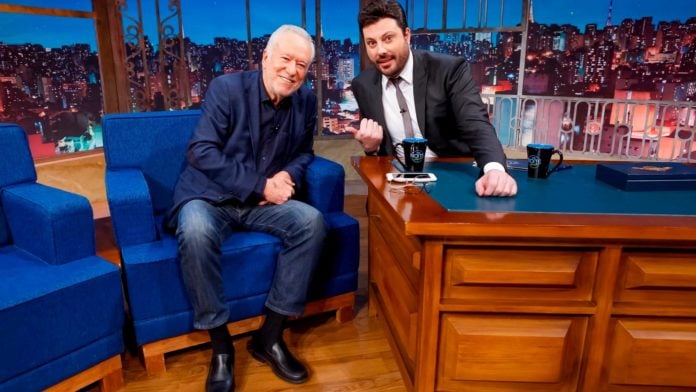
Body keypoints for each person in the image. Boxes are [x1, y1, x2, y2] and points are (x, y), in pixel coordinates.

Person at [167, 25, 325, 392]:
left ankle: (269, 337)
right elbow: (201, 151)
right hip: (211, 197)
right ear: (266, 57)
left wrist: (287, 173)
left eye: (302, 65)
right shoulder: (227, 89)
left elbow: (305, 152)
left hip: (261, 204)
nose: (292, 70)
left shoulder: (305, 100)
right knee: (194, 229)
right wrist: (261, 184)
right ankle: (221, 348)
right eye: (285, 59)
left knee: (311, 223)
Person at [349, 0, 517, 197]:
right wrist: (371, 147)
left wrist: (494, 169)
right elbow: (378, 150)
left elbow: (475, 122)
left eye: (388, 39)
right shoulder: (363, 84)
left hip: (450, 171)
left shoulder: (448, 69)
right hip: (397, 180)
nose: (380, 51)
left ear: (407, 35)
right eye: (371, 43)